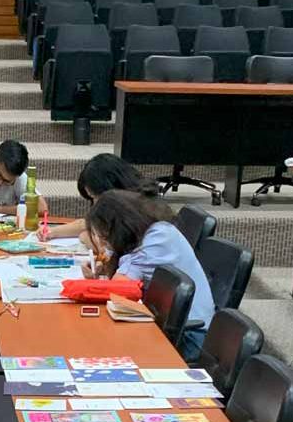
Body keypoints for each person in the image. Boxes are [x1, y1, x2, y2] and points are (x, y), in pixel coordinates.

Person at [83, 190, 214, 361]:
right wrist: (104, 263)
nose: (104, 241)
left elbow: (118, 289)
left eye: (105, 235)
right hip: (175, 326)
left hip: (192, 337)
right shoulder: (155, 230)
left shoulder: (157, 240)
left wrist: (101, 268)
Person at [39, 154, 158, 241]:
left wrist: (85, 237)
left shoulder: (135, 212)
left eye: (95, 197)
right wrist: (52, 232)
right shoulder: (132, 199)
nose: (95, 205)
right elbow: (89, 224)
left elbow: (103, 244)